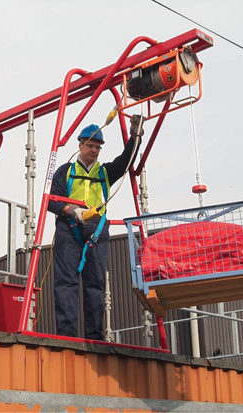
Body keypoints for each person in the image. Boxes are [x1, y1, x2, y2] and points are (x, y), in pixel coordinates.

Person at [48, 116, 145, 340]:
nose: (94, 150)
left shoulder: (104, 173)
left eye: (98, 147)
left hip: (97, 229)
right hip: (69, 227)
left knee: (96, 284)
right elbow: (51, 200)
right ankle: (67, 336)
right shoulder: (66, 171)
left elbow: (125, 161)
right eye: (90, 146)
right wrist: (70, 210)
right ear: (80, 145)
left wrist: (136, 136)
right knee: (65, 282)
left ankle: (95, 337)